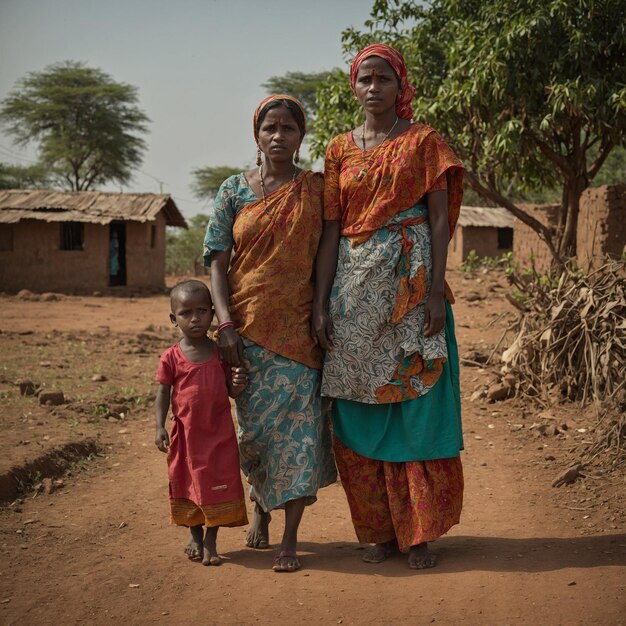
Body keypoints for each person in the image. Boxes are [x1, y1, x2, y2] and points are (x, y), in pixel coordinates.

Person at [313, 44, 465, 570]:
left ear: (401, 87)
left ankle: (417, 532)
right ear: (353, 88)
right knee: (354, 404)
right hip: (353, 294)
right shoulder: (337, 151)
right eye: (364, 78)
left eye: (383, 78)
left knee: (416, 402)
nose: (373, 87)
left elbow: (441, 220)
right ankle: (377, 531)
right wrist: (320, 304)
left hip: (412, 286)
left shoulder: (424, 141)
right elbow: (332, 228)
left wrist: (434, 292)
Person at [203, 95, 337, 573]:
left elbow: (326, 253)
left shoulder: (316, 189)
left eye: (289, 129)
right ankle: (260, 504)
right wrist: (224, 324)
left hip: (300, 329)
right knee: (254, 434)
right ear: (255, 135)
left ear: (302, 137)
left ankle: (290, 538)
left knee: (299, 435)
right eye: (270, 128)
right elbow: (218, 262)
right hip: (245, 329)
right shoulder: (233, 192)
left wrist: (320, 309)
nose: (279, 136)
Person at [155, 279, 249, 566]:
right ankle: (194, 533)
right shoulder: (171, 357)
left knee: (217, 482)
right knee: (188, 483)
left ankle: (211, 538)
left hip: (219, 434)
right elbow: (163, 393)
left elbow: (231, 391)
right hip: (186, 436)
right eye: (186, 313)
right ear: (174, 319)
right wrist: (159, 426)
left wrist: (237, 383)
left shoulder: (221, 352)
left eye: (202, 311)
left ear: (213, 314)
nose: (195, 318)